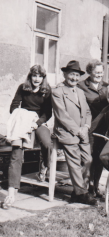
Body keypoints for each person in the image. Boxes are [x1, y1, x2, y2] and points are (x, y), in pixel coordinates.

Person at [2, 65, 52, 209]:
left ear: (43, 78)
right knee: (16, 154)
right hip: (23, 123)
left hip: (38, 123)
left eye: (40, 76)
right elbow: (13, 107)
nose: (37, 79)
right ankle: (11, 193)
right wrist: (25, 116)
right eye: (34, 75)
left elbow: (48, 113)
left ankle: (44, 167)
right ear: (30, 76)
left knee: (47, 143)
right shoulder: (22, 88)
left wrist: (36, 123)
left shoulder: (47, 91)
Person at [51, 60, 97, 206]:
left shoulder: (80, 92)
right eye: (72, 74)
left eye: (77, 75)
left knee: (88, 160)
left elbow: (88, 112)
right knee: (75, 161)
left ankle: (77, 190)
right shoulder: (57, 92)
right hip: (67, 132)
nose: (74, 78)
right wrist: (77, 131)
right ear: (65, 74)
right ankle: (82, 193)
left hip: (83, 131)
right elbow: (61, 116)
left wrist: (86, 127)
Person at [78, 60, 108, 197]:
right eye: (96, 72)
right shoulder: (81, 86)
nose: (99, 75)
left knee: (99, 157)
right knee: (87, 158)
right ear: (90, 72)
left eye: (101, 73)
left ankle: (95, 186)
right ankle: (84, 187)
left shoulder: (106, 86)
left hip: (103, 127)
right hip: (88, 126)